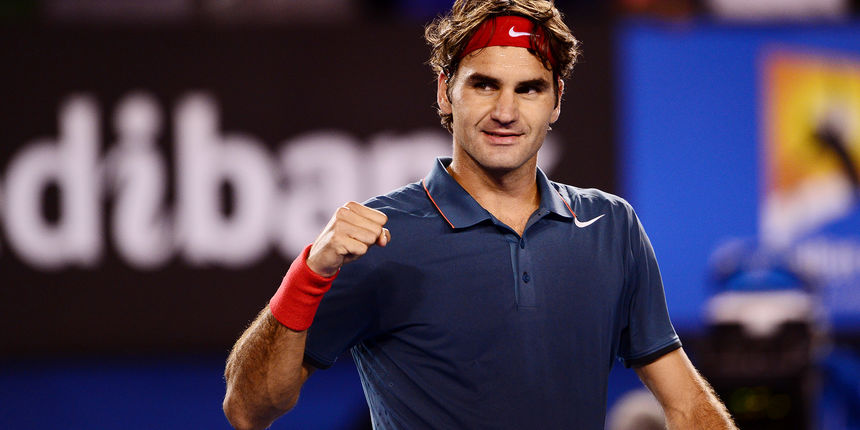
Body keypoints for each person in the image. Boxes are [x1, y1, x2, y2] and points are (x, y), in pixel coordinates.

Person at [223, 0, 738, 429]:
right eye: (485, 84)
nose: (506, 112)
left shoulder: (612, 227)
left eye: (529, 88)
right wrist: (310, 272)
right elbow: (249, 409)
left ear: (557, 99)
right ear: (446, 91)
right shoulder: (381, 238)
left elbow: (688, 406)